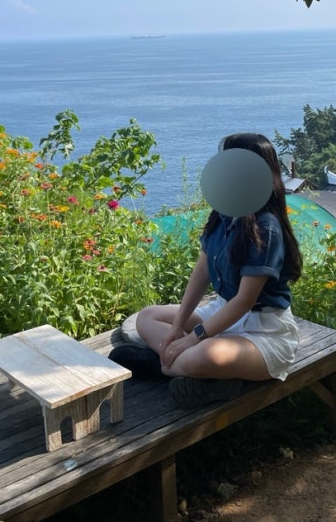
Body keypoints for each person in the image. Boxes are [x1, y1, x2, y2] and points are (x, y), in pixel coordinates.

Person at [110, 132, 304, 409]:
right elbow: (201, 274)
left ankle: (159, 365)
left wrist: (192, 338)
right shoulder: (223, 215)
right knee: (148, 317)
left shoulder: (266, 227)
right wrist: (178, 325)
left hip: (264, 330)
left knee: (204, 355)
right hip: (221, 313)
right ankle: (195, 371)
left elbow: (244, 301)